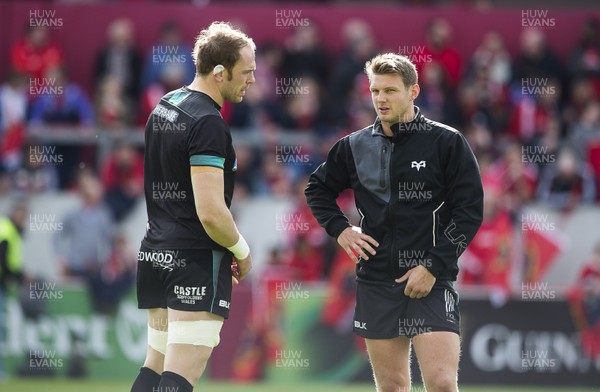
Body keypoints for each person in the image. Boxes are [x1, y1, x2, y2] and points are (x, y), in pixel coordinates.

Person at [305, 53, 483, 392]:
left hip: (432, 279)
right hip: (376, 280)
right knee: (391, 387)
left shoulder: (447, 142)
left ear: (413, 91)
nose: (381, 99)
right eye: (375, 91)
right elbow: (318, 189)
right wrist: (340, 230)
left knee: (443, 383)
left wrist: (433, 267)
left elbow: (470, 211)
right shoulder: (353, 146)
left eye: (390, 90)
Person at [131, 21, 254, 392]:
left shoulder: (165, 105)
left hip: (156, 253)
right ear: (220, 73)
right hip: (194, 261)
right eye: (246, 72)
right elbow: (211, 212)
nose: (251, 80)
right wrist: (243, 253)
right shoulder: (208, 123)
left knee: (154, 367)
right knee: (180, 375)